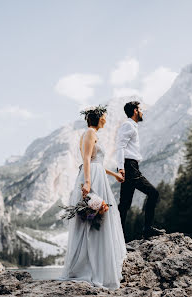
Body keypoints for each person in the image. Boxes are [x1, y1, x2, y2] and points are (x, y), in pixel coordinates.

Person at [60, 104, 127, 290]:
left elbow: (97, 161)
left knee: (98, 218)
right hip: (92, 177)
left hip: (98, 174)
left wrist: (114, 175)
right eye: (104, 116)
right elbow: (87, 159)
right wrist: (88, 183)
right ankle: (91, 266)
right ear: (98, 118)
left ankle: (98, 263)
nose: (106, 119)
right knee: (93, 219)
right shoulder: (89, 133)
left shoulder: (92, 134)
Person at [116, 101, 165, 240]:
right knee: (153, 193)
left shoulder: (131, 126)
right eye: (141, 109)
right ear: (135, 111)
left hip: (130, 166)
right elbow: (120, 147)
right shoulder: (128, 125)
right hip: (129, 167)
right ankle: (147, 229)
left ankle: (118, 239)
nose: (143, 112)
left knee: (124, 204)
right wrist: (120, 168)